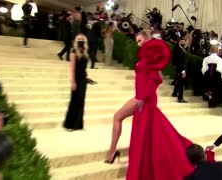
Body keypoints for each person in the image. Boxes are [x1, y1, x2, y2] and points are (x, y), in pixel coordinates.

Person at [105, 31, 194, 180]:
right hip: (142, 96)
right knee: (148, 131)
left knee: (118, 117)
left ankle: (112, 152)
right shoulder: (146, 57)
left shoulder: (151, 58)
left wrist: (143, 97)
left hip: (144, 97)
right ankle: (114, 152)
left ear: (147, 41)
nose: (138, 44)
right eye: (137, 41)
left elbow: (155, 79)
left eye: (140, 41)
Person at [63, 34, 89, 131]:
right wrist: (73, 81)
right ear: (76, 41)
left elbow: (84, 68)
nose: (81, 41)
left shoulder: (85, 53)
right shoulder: (73, 53)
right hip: (76, 79)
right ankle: (69, 125)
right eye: (79, 39)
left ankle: (78, 125)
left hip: (83, 79)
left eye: (82, 39)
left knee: (81, 101)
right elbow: (72, 68)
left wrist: (87, 78)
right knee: (74, 101)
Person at [172, 37, 187, 103]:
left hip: (180, 68)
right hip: (180, 68)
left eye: (184, 41)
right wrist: (183, 70)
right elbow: (180, 61)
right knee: (181, 83)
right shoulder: (178, 49)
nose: (183, 42)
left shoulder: (181, 49)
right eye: (182, 41)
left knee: (179, 81)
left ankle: (175, 93)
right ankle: (180, 98)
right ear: (179, 41)